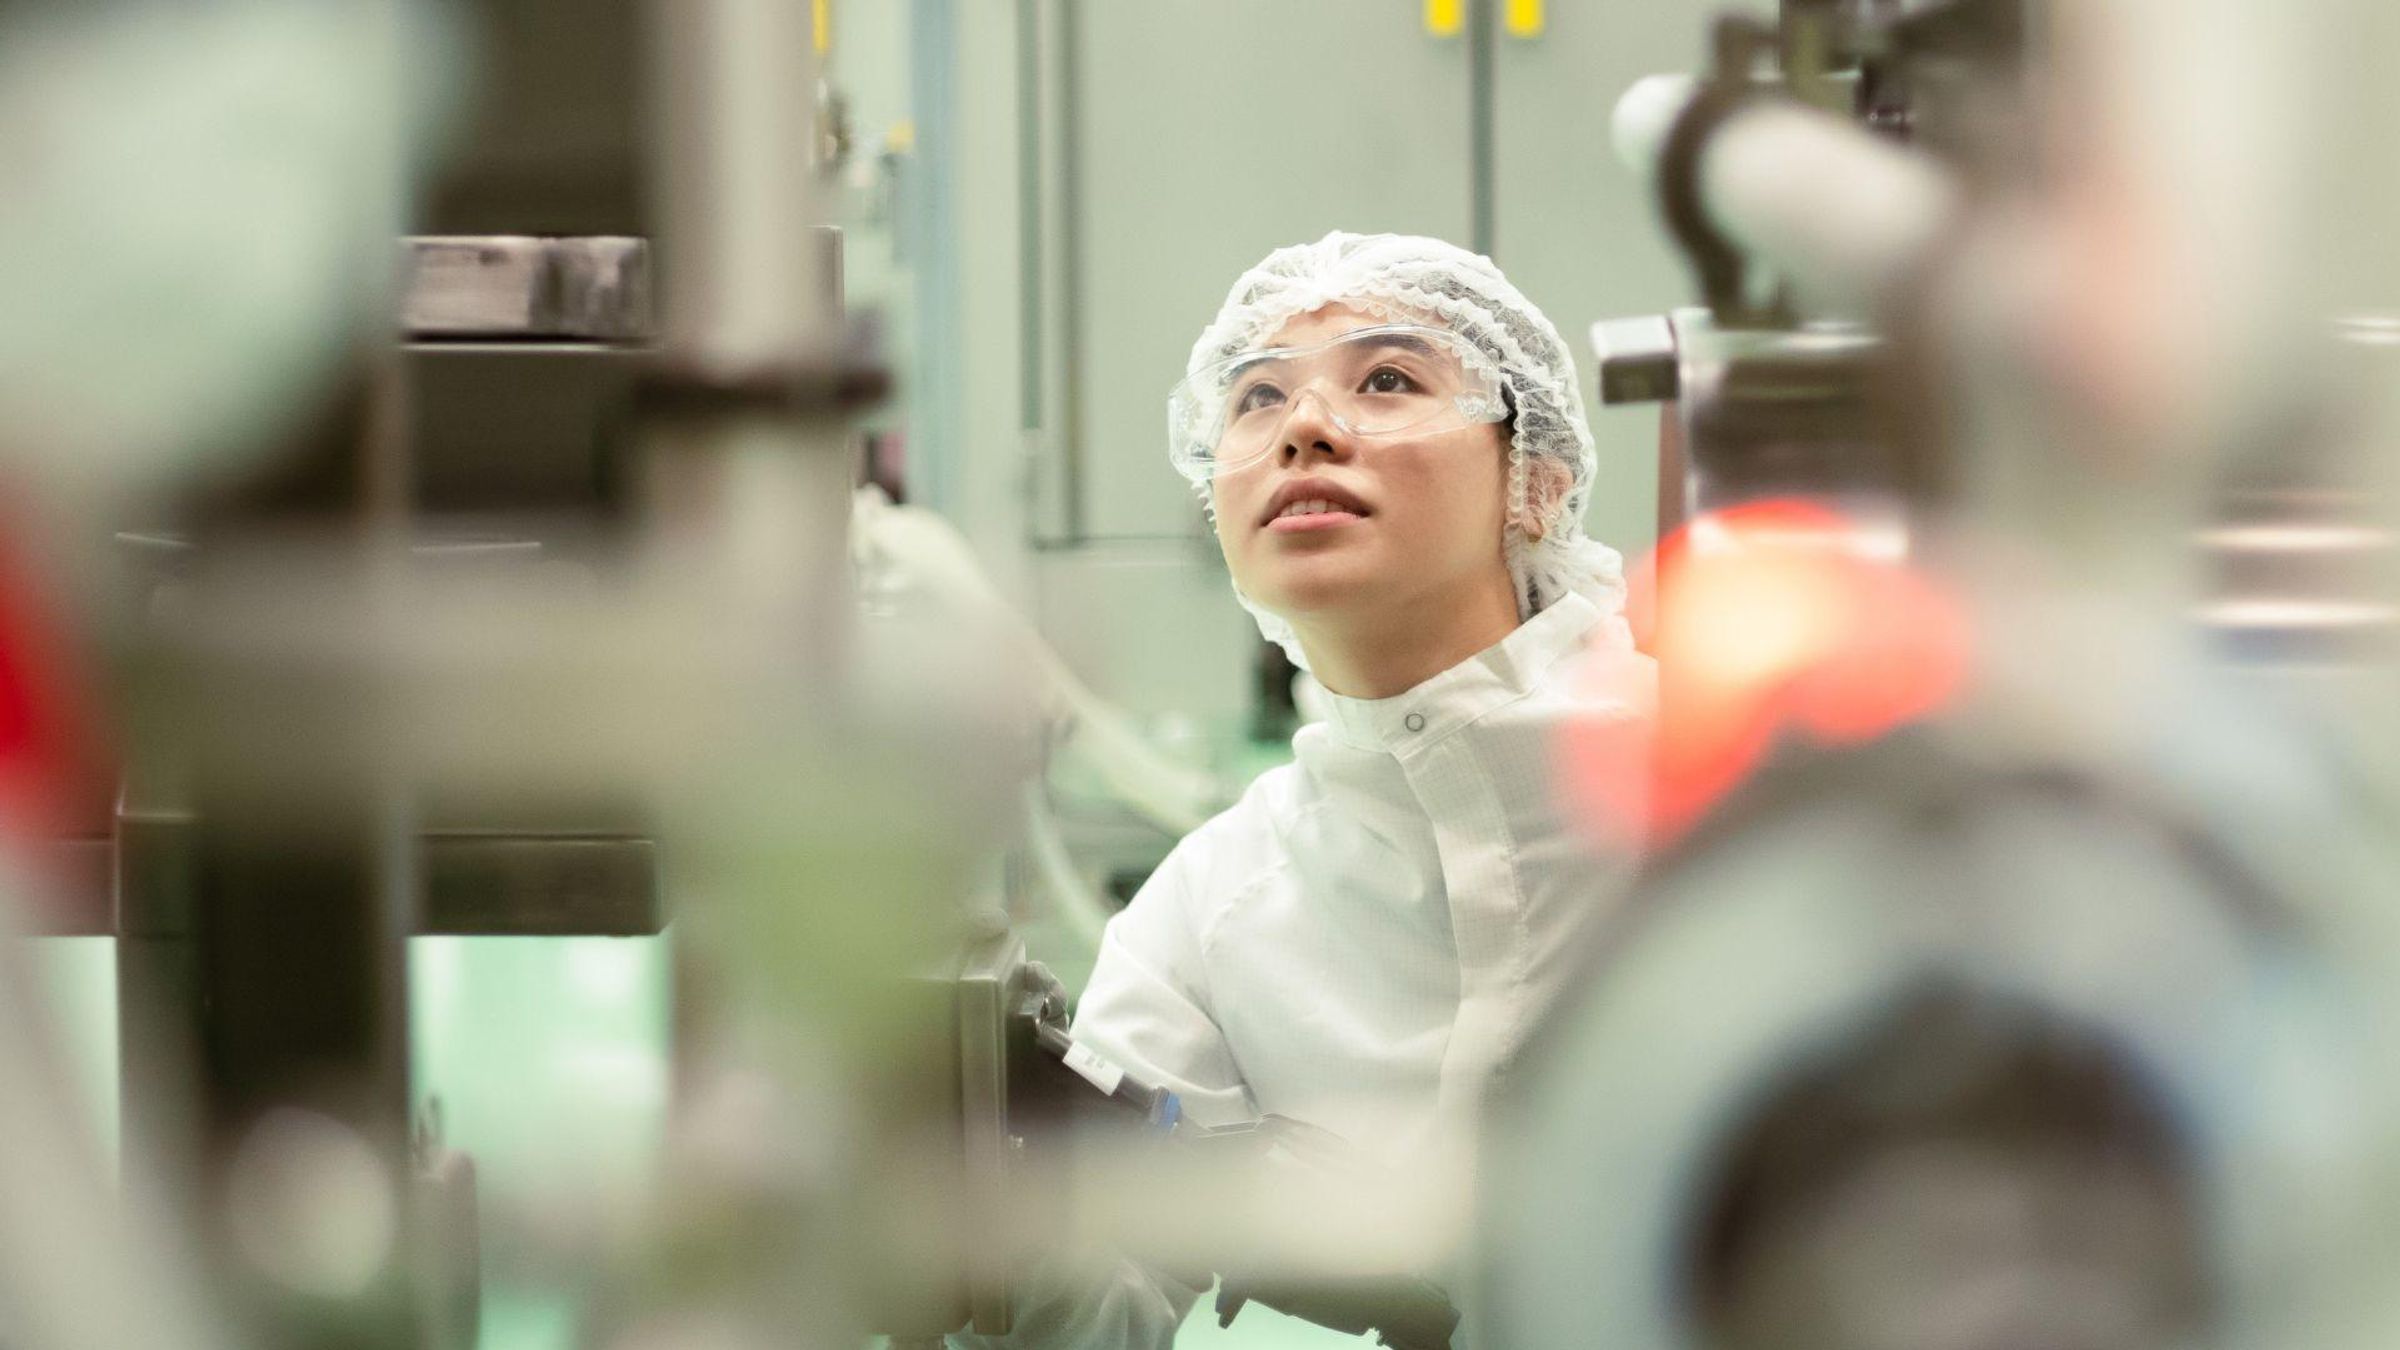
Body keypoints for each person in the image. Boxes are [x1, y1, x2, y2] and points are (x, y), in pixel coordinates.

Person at [973, 232, 1652, 1347]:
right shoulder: (1210, 909)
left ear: (1536, 481)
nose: (1307, 427)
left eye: (1388, 379)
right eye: (1256, 397)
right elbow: (1105, 1309)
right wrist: (997, 1215)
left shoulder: (1726, 811)